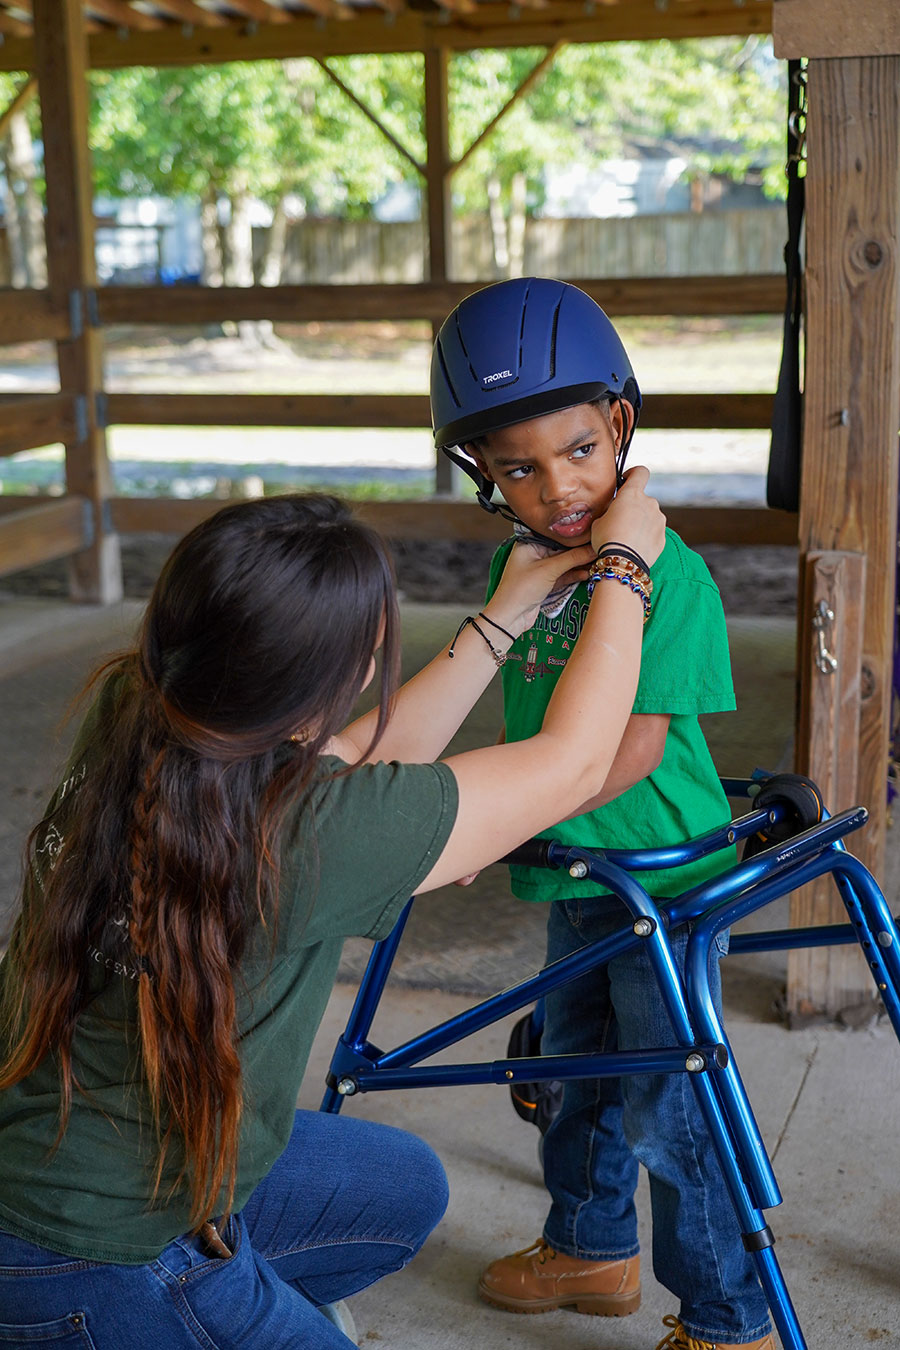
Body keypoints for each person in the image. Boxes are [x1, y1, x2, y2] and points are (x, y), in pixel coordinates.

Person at [0, 485, 663, 1348]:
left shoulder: (140, 703)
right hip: (97, 1250)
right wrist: (628, 569)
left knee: (402, 1188)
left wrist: (508, 612)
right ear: (326, 681)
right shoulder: (309, 832)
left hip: (41, 1155)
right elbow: (573, 766)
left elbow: (345, 755)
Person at [430, 276, 775, 1350]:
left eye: (579, 451)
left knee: (668, 1109)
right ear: (483, 472)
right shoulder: (524, 568)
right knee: (568, 1076)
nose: (557, 488)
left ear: (620, 424)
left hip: (661, 883)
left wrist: (495, 816)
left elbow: (625, 751)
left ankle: (728, 1318)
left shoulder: (668, 575)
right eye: (519, 469)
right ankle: (590, 1247)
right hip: (577, 880)